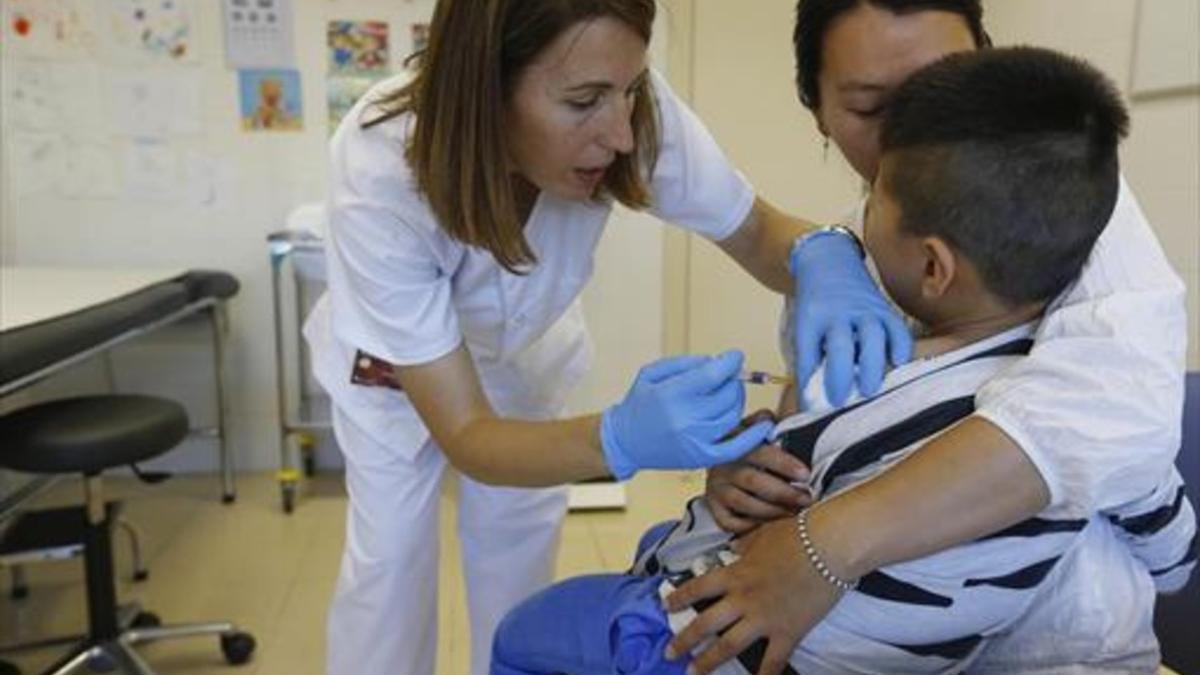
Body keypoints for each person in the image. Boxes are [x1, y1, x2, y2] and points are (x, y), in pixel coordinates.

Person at [489, 46, 1197, 675]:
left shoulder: (867, 374)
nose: (853, 220)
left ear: (933, 266)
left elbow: (778, 500)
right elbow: (1171, 543)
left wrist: (739, 455)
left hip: (740, 642)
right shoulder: (1076, 333)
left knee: (533, 630)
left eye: (873, 201)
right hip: (907, 652)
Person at [301, 1, 910, 673]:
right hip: (390, 377)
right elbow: (468, 436)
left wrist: (828, 255)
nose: (621, 133)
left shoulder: (630, 108)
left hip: (523, 358)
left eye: (628, 90)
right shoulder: (382, 165)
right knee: (389, 567)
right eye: (584, 100)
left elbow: (760, 232)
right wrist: (620, 438)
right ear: (485, 87)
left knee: (516, 564)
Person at [668, 1, 1190, 673]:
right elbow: (823, 439)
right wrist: (750, 474)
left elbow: (1113, 416)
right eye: (869, 106)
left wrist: (821, 543)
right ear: (817, 109)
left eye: (940, 86)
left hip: (1064, 646)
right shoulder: (851, 254)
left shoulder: (1071, 214)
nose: (913, 130)